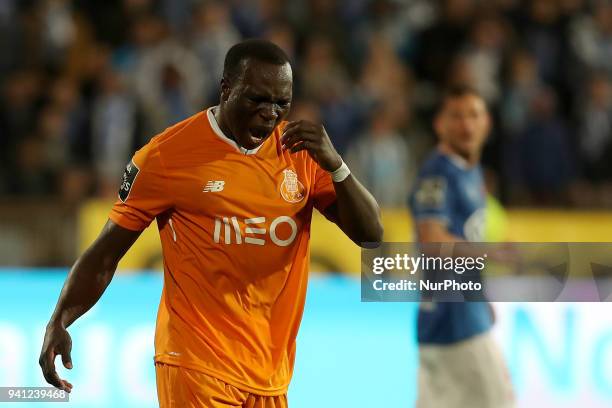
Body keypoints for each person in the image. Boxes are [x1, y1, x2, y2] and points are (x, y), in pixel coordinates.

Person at [39, 39, 383, 407]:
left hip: (269, 371)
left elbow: (371, 235)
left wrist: (336, 165)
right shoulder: (166, 156)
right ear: (226, 89)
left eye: (281, 103)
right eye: (257, 99)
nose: (270, 114)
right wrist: (60, 319)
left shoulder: (300, 153)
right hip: (195, 362)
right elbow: (106, 253)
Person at [409, 86, 514, 408]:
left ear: (488, 123)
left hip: (462, 314)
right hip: (452, 320)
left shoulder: (470, 172)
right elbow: (432, 241)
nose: (466, 126)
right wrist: (492, 252)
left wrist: (481, 297)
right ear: (439, 124)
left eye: (474, 115)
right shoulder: (437, 174)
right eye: (456, 116)